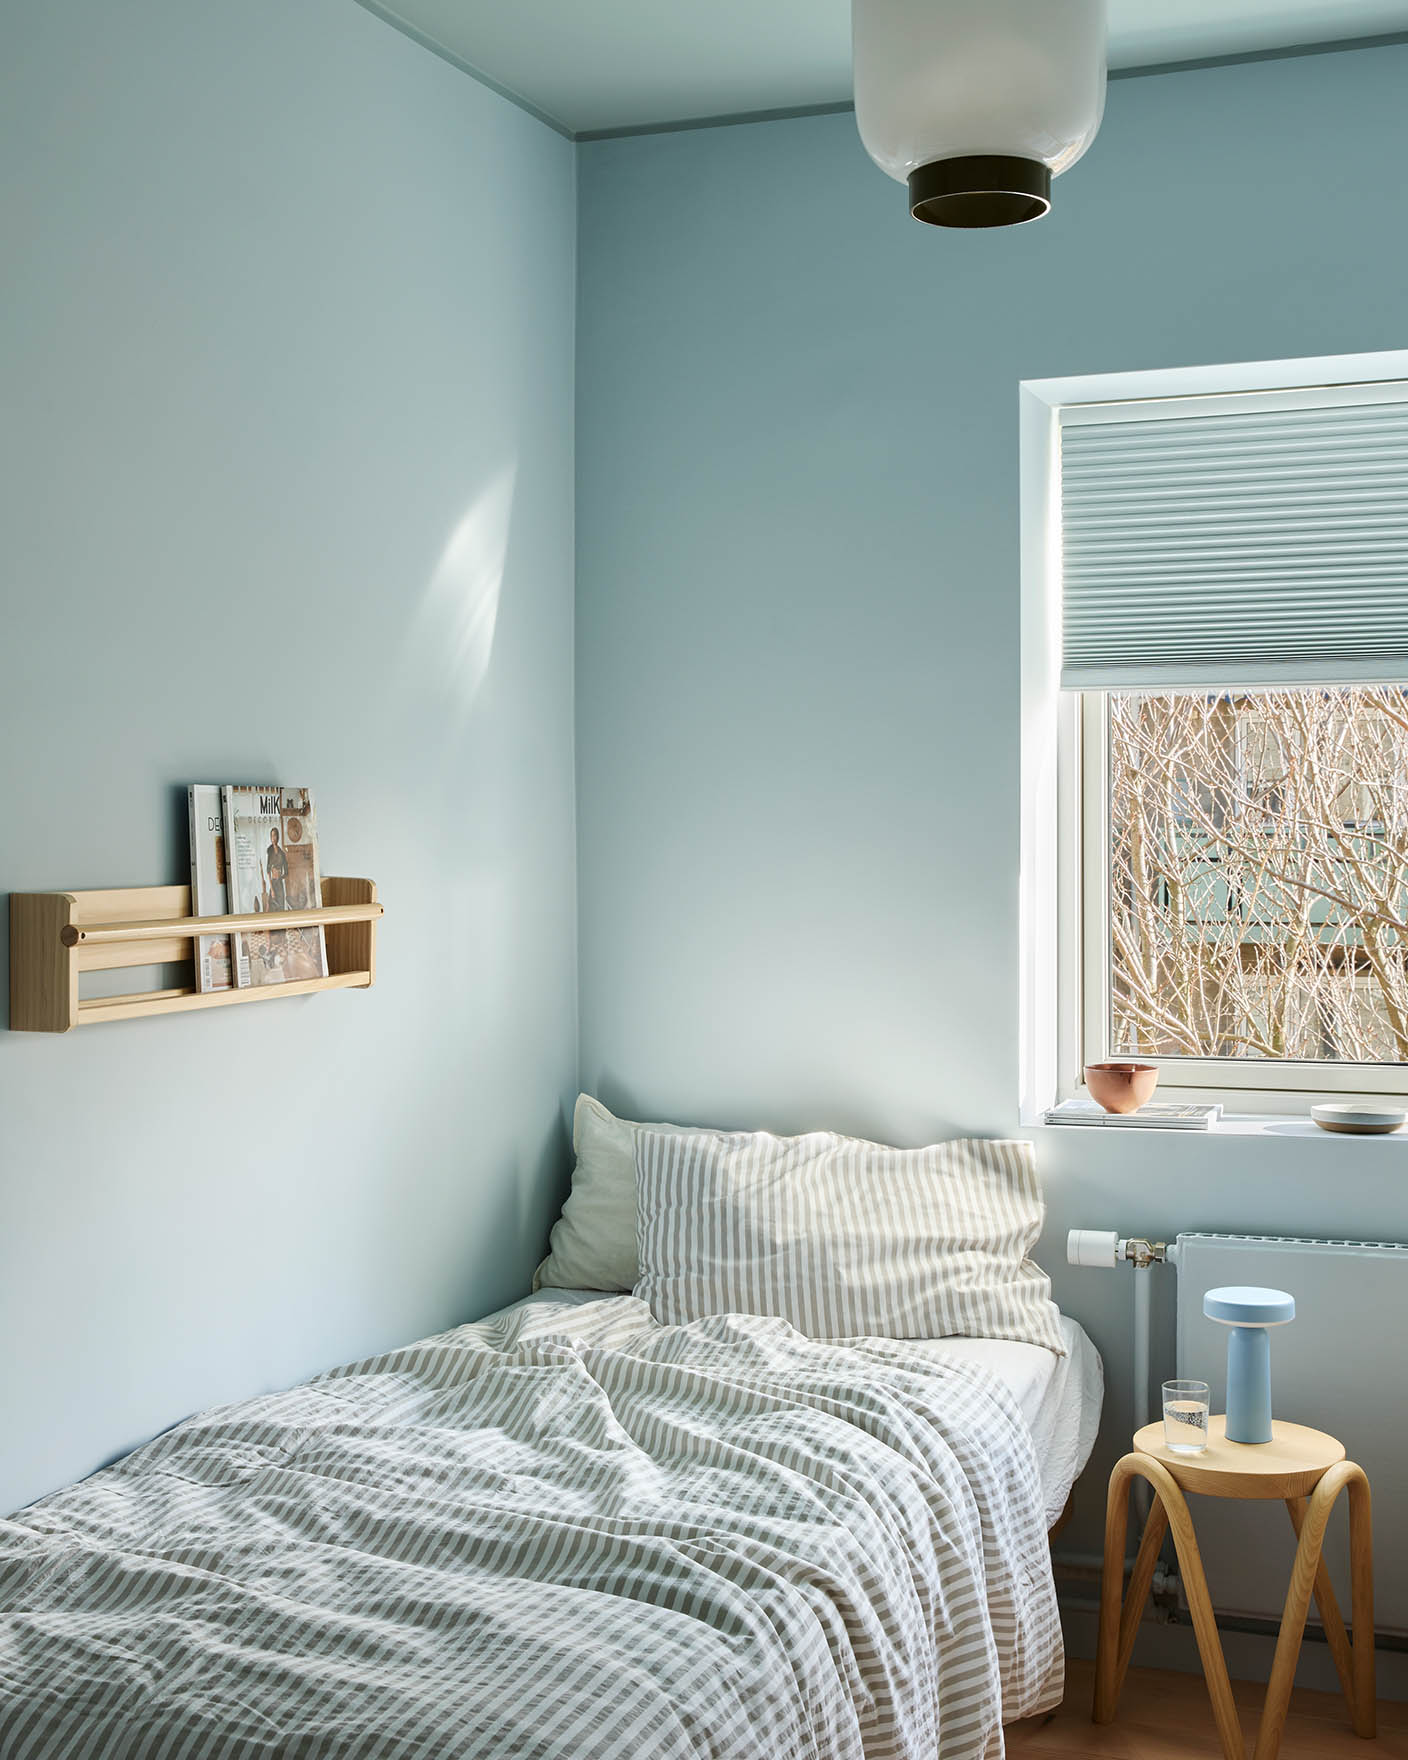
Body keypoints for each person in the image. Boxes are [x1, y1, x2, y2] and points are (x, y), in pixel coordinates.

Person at [266, 825, 289, 911]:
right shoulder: (269, 851)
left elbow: (286, 872)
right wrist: (271, 889)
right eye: (272, 836)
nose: (273, 838)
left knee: (280, 908)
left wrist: (280, 876)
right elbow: (268, 871)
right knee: (271, 908)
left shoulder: (282, 853)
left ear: (278, 837)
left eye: (275, 835)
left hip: (279, 884)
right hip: (273, 884)